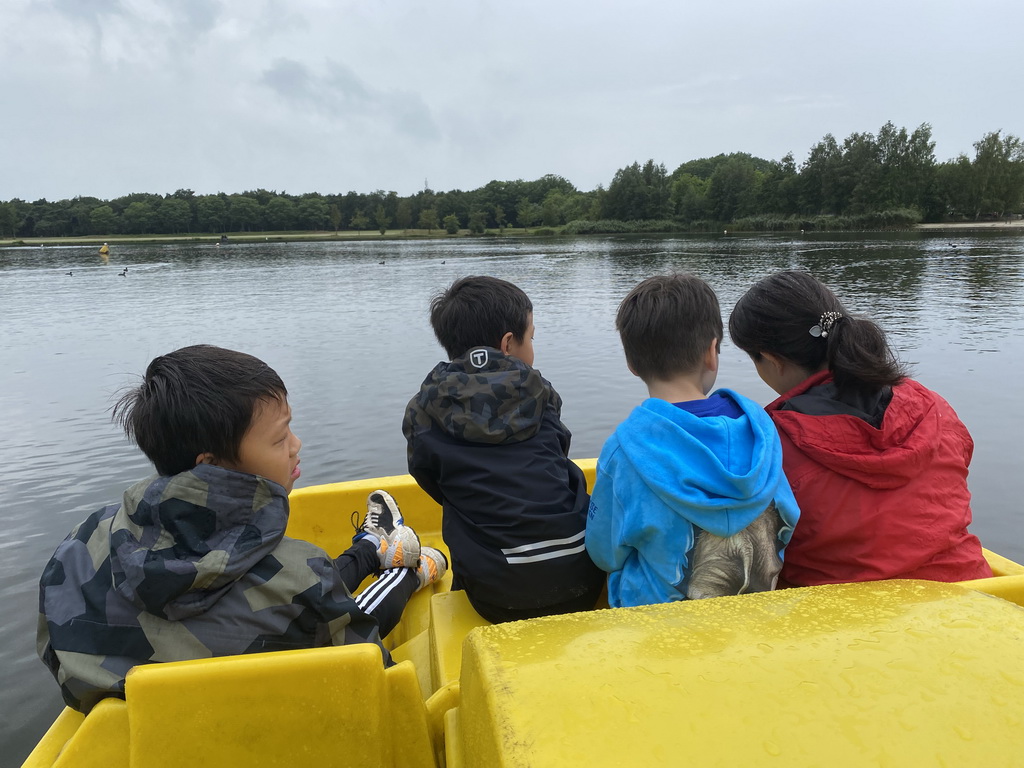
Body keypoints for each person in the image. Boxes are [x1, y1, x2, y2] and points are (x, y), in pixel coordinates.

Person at [37, 344, 446, 713]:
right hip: (278, 727)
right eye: (280, 436)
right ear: (212, 465)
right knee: (320, 594)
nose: (296, 444)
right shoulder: (299, 573)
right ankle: (407, 567)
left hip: (145, 741)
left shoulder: (78, 547)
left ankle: (373, 547)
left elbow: (55, 655)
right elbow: (373, 675)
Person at [728, 270, 992, 587]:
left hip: (849, 625)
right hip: (970, 600)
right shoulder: (933, 406)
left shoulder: (769, 444)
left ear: (771, 359)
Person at [585, 274, 800, 608]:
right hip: (755, 613)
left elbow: (604, 553)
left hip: (657, 628)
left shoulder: (624, 450)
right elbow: (787, 520)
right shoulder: (762, 435)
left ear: (631, 363)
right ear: (712, 353)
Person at [403, 276, 604, 623]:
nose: (533, 349)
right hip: (583, 582)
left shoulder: (424, 407)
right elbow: (558, 453)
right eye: (532, 338)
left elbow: (427, 477)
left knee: (461, 497)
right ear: (508, 343)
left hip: (496, 600)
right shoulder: (542, 392)